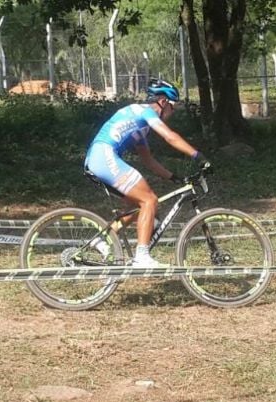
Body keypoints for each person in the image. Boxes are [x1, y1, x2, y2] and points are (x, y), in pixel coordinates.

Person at [84, 79, 210, 268]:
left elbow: (148, 160)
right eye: (173, 108)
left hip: (98, 158)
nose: (172, 113)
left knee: (141, 206)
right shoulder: (146, 112)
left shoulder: (139, 126)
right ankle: (141, 257)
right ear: (164, 102)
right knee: (149, 200)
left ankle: (102, 239)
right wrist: (199, 156)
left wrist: (174, 177)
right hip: (103, 156)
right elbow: (170, 136)